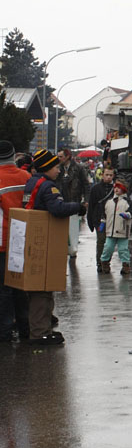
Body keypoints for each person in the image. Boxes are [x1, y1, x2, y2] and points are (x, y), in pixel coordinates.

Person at [22, 149, 85, 345]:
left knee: (37, 289)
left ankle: (42, 327)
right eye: (56, 167)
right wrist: (78, 207)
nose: (58, 170)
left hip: (29, 239)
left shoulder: (32, 182)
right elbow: (57, 209)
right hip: (43, 240)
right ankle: (40, 333)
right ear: (47, 168)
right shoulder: (48, 187)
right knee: (42, 288)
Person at [0, 140, 31, 343]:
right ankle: (24, 327)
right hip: (23, 239)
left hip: (2, 240)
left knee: (3, 288)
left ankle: (4, 330)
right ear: (13, 156)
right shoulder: (26, 177)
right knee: (21, 286)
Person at [56, 148, 89, 258]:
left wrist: (86, 200)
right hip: (61, 201)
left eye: (60, 156)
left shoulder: (79, 168)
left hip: (75, 200)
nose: (58, 158)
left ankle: (73, 249)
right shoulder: (58, 168)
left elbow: (86, 184)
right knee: (62, 226)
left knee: (74, 226)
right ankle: (64, 247)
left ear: (67, 157)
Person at [100, 181, 132, 275]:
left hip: (123, 230)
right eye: (115, 188)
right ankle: (105, 263)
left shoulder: (127, 202)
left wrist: (128, 215)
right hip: (110, 230)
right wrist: (103, 222)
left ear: (123, 190)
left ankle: (125, 265)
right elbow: (104, 213)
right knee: (108, 247)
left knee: (123, 249)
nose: (116, 189)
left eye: (119, 188)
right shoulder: (109, 201)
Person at [87, 167, 116, 273]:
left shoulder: (115, 188)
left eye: (111, 175)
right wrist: (90, 221)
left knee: (110, 243)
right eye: (107, 175)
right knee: (101, 241)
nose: (108, 177)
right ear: (102, 175)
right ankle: (100, 262)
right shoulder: (95, 189)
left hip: (112, 219)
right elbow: (91, 205)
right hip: (99, 219)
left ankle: (106, 262)